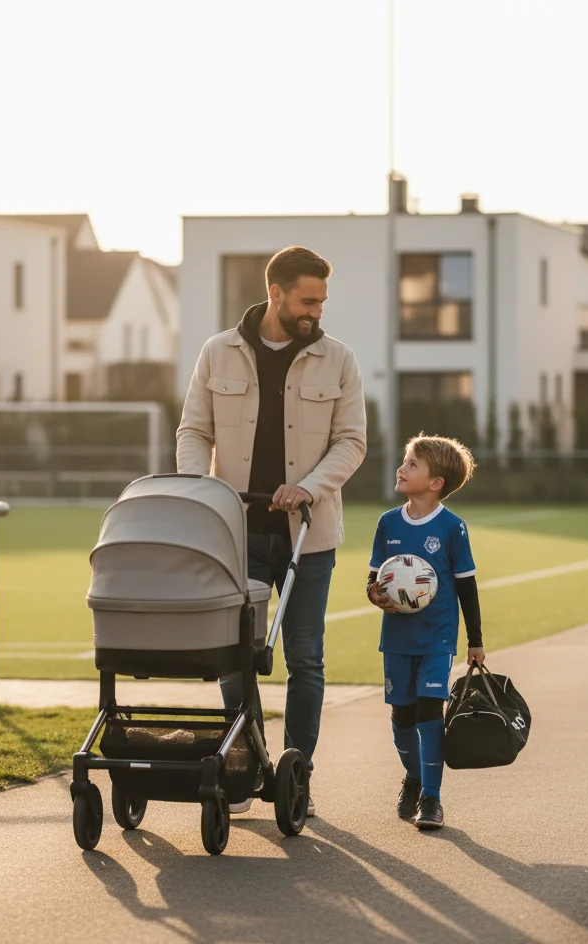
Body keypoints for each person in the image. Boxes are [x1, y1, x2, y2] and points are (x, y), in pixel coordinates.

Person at [177, 245, 367, 816]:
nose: (316, 312)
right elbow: (194, 431)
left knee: (305, 658)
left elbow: (351, 441)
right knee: (236, 656)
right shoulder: (218, 352)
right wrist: (198, 490)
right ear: (276, 294)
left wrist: (308, 486)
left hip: (308, 536)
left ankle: (295, 777)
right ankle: (244, 765)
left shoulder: (339, 360)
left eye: (323, 302)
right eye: (308, 301)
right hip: (234, 534)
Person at [366, 434, 485, 830]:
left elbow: (467, 585)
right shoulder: (387, 523)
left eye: (412, 464)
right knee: (401, 716)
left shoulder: (452, 528)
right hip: (397, 638)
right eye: (405, 461)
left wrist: (475, 640)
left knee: (429, 711)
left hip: (436, 637)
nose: (402, 468)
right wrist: (376, 594)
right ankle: (414, 779)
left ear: (435, 483)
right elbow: (373, 579)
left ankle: (432, 798)